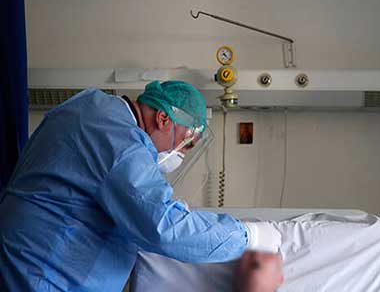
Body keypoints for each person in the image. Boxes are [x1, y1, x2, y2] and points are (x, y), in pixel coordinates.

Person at [0, 81, 282, 291]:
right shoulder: (121, 143)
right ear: (163, 118)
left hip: (26, 261)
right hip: (46, 276)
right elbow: (163, 228)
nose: (181, 155)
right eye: (186, 144)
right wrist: (249, 236)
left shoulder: (89, 105)